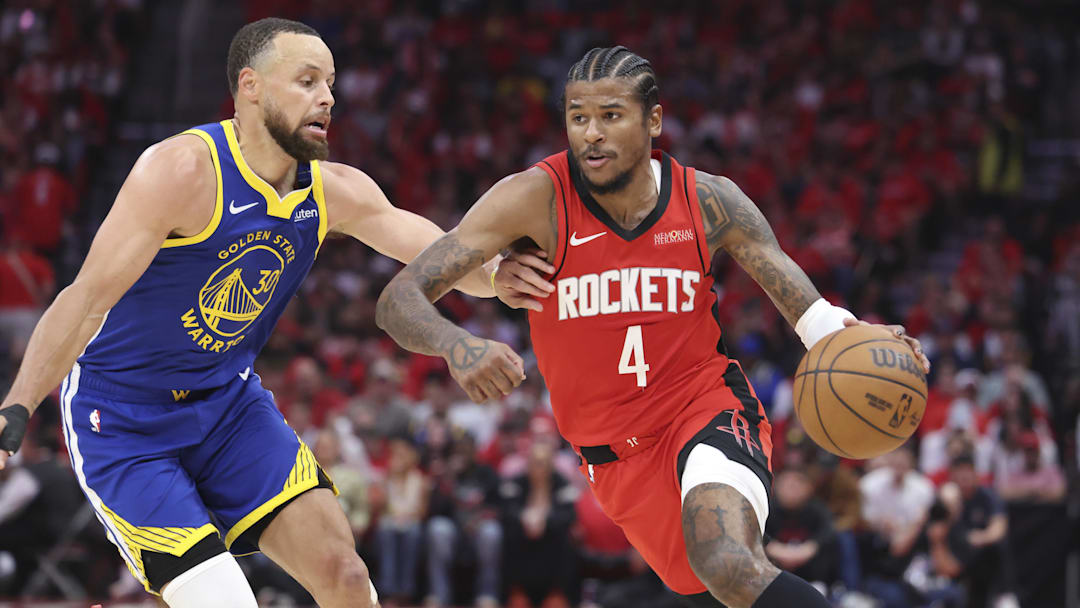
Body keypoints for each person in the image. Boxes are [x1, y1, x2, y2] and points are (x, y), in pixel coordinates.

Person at [0, 18, 546, 608]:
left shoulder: (332, 189)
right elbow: (83, 302)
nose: (328, 98)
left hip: (229, 406)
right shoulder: (181, 171)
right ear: (251, 86)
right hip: (125, 417)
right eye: (307, 81)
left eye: (331, 83)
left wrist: (495, 278)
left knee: (345, 575)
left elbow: (430, 247)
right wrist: (15, 409)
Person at [375, 45, 929, 608]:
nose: (591, 133)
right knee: (717, 590)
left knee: (727, 562)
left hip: (705, 408)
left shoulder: (710, 202)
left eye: (611, 115)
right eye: (577, 116)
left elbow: (809, 314)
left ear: (654, 120)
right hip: (614, 460)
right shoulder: (532, 200)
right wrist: (457, 344)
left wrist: (865, 343)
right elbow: (399, 298)